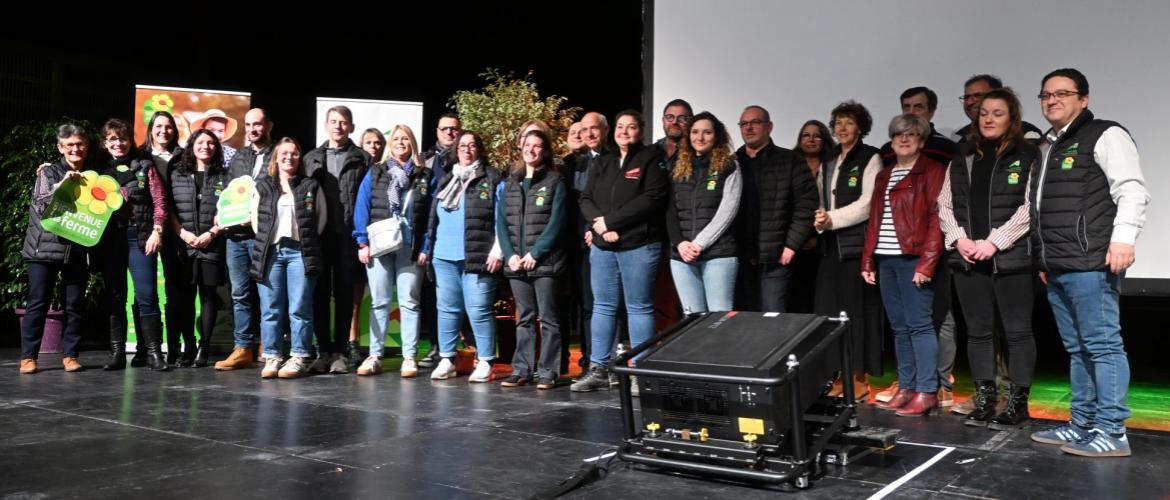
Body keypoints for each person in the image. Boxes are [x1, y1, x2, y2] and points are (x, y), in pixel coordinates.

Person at [1028, 68, 1149, 458]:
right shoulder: (1050, 145)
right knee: (1078, 349)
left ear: (1084, 99)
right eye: (1046, 94)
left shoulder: (1105, 134)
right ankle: (1083, 425)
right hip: (1060, 263)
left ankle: (1112, 431)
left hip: (1091, 260)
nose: (1052, 100)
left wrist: (1123, 239)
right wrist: (1043, 256)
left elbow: (1131, 190)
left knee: (1102, 346)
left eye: (1062, 93)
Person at [938, 88, 1038, 429]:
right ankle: (985, 400)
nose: (989, 119)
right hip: (968, 258)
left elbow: (1029, 208)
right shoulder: (963, 154)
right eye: (984, 113)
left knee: (1017, 333)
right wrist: (958, 239)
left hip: (1011, 259)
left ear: (1011, 117)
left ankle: (1018, 404)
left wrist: (994, 243)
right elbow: (945, 204)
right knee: (978, 333)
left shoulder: (1027, 153)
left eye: (997, 113)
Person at [571, 110, 668, 392]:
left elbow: (652, 198)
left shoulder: (651, 159)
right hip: (603, 246)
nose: (624, 131)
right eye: (620, 126)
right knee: (602, 307)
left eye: (632, 127)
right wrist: (601, 228)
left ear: (641, 131)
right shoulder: (604, 161)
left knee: (638, 307)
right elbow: (586, 198)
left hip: (639, 244)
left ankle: (640, 372)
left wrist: (612, 222)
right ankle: (599, 369)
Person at [862, 114, 947, 417]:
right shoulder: (884, 174)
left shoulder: (933, 171)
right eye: (899, 134)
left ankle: (926, 391)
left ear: (921, 140)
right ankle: (907, 386)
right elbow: (874, 220)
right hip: (886, 260)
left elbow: (939, 220)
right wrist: (869, 259)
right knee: (899, 328)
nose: (904, 139)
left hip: (914, 259)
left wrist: (926, 263)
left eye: (911, 134)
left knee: (920, 326)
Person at [419, 131, 503, 382]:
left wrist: (497, 250)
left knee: (478, 310)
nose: (467, 149)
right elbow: (433, 220)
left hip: (477, 256)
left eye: (473, 145)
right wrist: (429, 249)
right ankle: (447, 358)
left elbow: (502, 219)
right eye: (463, 145)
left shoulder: (492, 178)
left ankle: (486, 360)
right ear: (456, 150)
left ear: (480, 149)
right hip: (443, 256)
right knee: (446, 309)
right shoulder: (446, 179)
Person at [814, 101, 883, 402]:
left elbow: (869, 203)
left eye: (849, 123)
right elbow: (819, 198)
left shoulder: (870, 157)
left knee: (856, 315)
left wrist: (833, 220)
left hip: (856, 249)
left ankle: (859, 377)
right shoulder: (829, 160)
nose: (842, 128)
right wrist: (819, 221)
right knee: (830, 316)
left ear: (860, 127)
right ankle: (838, 375)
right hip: (829, 249)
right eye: (838, 123)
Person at [352, 125, 427, 377]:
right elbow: (362, 206)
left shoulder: (422, 175)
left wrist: (425, 246)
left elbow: (430, 214)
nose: (400, 142)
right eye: (396, 138)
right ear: (389, 144)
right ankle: (375, 356)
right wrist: (362, 242)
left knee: (409, 303)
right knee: (379, 302)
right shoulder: (376, 172)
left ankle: (409, 357)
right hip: (380, 243)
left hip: (410, 244)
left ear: (412, 142)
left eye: (405, 138)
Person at [250, 138, 328, 379]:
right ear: (276, 157)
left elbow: (320, 219)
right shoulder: (263, 186)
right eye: (284, 153)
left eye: (294, 153)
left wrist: (304, 241)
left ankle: (299, 356)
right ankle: (273, 357)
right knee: (271, 309)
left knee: (300, 308)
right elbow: (255, 220)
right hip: (271, 252)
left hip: (300, 252)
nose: (289, 157)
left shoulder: (310, 185)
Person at [496, 129, 568, 389]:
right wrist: (510, 255)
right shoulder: (511, 182)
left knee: (548, 318)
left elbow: (557, 224)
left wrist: (535, 254)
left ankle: (548, 372)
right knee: (524, 318)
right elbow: (502, 223)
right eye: (528, 145)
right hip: (517, 263)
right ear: (521, 148)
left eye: (538, 146)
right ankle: (521, 369)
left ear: (545, 150)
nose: (532, 150)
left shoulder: (555, 181)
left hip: (545, 263)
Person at [19, 124, 92, 374]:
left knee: (74, 304)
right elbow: (41, 205)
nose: (75, 149)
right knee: (37, 302)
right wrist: (61, 184)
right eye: (69, 144)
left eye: (79, 144)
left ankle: (70, 355)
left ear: (86, 147)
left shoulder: (93, 176)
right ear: (60, 148)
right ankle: (28, 357)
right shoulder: (48, 172)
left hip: (76, 248)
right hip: (44, 248)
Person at [97, 118, 169, 371]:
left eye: (123, 138)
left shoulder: (145, 166)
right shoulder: (98, 171)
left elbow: (160, 203)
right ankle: (116, 353)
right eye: (113, 139)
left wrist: (156, 232)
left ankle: (153, 353)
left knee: (147, 296)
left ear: (131, 140)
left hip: (140, 237)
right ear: (105, 143)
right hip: (110, 241)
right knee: (116, 296)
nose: (119, 143)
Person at [303, 106, 370, 374]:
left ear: (351, 127)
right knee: (319, 295)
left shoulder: (363, 158)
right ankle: (323, 352)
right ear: (326, 125)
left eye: (343, 123)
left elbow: (368, 199)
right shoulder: (310, 158)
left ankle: (340, 352)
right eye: (333, 122)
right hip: (318, 236)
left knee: (344, 295)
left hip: (348, 237)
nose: (338, 127)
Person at [732, 106, 818, 313]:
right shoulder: (731, 163)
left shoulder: (790, 160)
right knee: (742, 323)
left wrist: (791, 245)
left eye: (755, 122)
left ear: (769, 127)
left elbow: (806, 206)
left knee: (772, 320)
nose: (749, 128)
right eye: (744, 124)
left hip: (776, 258)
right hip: (740, 258)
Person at [215, 108, 274, 370]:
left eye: (258, 124)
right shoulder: (239, 157)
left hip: (263, 236)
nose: (252, 129)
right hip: (236, 237)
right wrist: (222, 215)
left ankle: (267, 344)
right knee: (240, 294)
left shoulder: (277, 154)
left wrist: (256, 215)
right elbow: (228, 193)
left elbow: (280, 194)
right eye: (248, 125)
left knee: (267, 293)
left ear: (269, 126)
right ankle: (242, 348)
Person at [667, 111, 742, 313]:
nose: (700, 138)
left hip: (718, 254)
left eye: (707, 132)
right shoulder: (678, 167)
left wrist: (699, 244)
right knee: (692, 320)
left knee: (719, 319)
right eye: (695, 132)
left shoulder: (729, 165)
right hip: (682, 257)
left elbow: (728, 211)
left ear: (716, 135)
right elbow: (670, 209)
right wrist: (680, 243)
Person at [167, 129, 229, 368]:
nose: (206, 146)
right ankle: (189, 345)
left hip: (212, 244)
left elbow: (230, 210)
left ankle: (204, 346)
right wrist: (183, 233)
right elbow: (169, 207)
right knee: (185, 297)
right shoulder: (177, 173)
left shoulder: (224, 176)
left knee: (208, 296)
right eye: (201, 141)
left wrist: (211, 233)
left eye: (211, 142)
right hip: (184, 245)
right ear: (192, 145)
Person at [418, 112, 463, 368]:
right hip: (431, 235)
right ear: (437, 131)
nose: (449, 133)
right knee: (434, 297)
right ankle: (437, 346)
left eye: (454, 129)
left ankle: (468, 348)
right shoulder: (424, 160)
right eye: (445, 129)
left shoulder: (468, 156)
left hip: (461, 238)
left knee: (465, 297)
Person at [788, 120, 834, 313]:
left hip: (825, 239)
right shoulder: (790, 164)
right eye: (806, 135)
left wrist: (816, 236)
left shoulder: (833, 165)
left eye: (817, 135)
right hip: (794, 242)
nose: (811, 139)